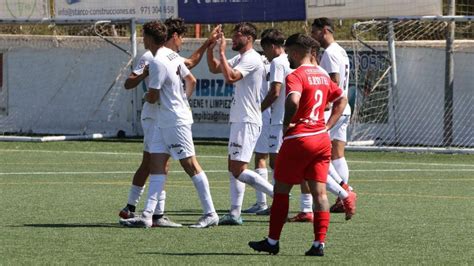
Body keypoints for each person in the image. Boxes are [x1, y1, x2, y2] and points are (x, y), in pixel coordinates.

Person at [248, 33, 348, 256]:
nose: (288, 57)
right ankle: (318, 244)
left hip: (299, 138)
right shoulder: (322, 76)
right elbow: (342, 99)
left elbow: (292, 101)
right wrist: (327, 125)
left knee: (281, 190)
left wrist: (286, 125)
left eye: (289, 52)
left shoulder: (296, 75)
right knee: (320, 193)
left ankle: (272, 242)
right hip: (321, 139)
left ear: (294, 52)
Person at [118, 19, 221, 227]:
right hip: (163, 120)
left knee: (190, 164)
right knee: (156, 165)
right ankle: (148, 215)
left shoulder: (156, 61)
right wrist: (182, 99)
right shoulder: (171, 56)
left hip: (173, 119)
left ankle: (211, 214)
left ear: (148, 38)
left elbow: (154, 96)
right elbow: (190, 79)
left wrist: (148, 96)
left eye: (144, 36)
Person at [289, 17, 357, 221]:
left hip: (330, 110)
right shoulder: (341, 50)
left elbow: (333, 81)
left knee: (318, 159)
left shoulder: (330, 53)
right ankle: (342, 193)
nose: (312, 34)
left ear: (325, 30)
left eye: (315, 31)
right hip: (341, 109)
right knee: (335, 156)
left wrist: (323, 106)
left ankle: (344, 191)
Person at [207, 22, 274, 225]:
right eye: (234, 36)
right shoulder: (242, 57)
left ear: (249, 38)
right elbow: (214, 69)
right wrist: (211, 47)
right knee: (233, 168)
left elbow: (230, 77)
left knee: (238, 169)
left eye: (238, 36)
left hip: (247, 119)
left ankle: (278, 196)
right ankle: (235, 213)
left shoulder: (252, 58)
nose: (234, 39)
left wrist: (221, 51)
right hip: (240, 119)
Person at [242, 54, 271, 214]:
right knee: (264, 157)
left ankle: (263, 202)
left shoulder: (259, 61)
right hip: (269, 114)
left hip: (263, 113)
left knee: (261, 157)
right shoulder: (277, 62)